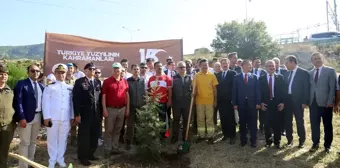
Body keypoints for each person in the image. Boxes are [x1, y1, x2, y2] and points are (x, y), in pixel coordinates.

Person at [42, 64, 74, 168]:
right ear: (55, 74)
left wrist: (72, 116)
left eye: (63, 72)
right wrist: (46, 117)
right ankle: (52, 160)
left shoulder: (70, 87)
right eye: (59, 72)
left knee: (63, 139)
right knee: (52, 140)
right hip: (53, 118)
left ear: (66, 74)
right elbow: (45, 103)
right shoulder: (50, 87)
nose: (61, 74)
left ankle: (60, 158)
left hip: (65, 118)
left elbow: (71, 104)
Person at [13, 64, 44, 168]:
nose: (35, 73)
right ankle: (23, 165)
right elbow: (18, 102)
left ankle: (31, 163)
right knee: (25, 143)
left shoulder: (41, 86)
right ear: (28, 72)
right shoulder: (22, 84)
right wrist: (21, 117)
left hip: (38, 116)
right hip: (26, 118)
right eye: (33, 71)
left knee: (33, 142)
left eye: (38, 71)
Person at [72, 62, 102, 166]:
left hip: (96, 114)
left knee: (94, 135)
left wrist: (101, 113)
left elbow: (100, 99)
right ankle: (82, 157)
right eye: (90, 69)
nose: (92, 71)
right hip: (84, 114)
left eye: (94, 69)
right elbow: (76, 99)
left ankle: (90, 154)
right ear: (85, 70)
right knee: (84, 137)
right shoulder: (79, 82)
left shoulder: (98, 82)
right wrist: (77, 114)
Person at [308, 52, 336, 153]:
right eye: (315, 59)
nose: (317, 60)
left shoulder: (330, 71)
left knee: (327, 125)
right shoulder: (310, 73)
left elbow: (332, 88)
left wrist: (330, 101)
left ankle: (327, 145)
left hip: (326, 103)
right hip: (313, 103)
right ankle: (315, 143)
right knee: (314, 124)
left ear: (322, 59)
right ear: (312, 61)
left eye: (319, 58)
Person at [102, 62, 130, 155]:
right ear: (112, 70)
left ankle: (115, 148)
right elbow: (103, 96)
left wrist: (127, 108)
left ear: (121, 70)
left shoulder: (124, 81)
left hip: (122, 109)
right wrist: (104, 109)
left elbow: (127, 95)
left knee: (118, 129)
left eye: (118, 68)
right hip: (110, 109)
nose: (117, 70)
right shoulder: (107, 81)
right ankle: (107, 149)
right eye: (115, 68)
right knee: (109, 130)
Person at [232, 60, 261, 148]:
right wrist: (235, 103)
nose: (250, 66)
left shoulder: (254, 77)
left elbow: (258, 91)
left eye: (250, 65)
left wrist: (258, 102)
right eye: (248, 65)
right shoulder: (236, 77)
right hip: (241, 104)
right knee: (242, 123)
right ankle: (243, 140)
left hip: (252, 104)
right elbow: (234, 91)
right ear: (243, 66)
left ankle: (253, 141)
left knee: (253, 123)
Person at [284, 55, 309, 148]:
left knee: (299, 121)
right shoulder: (286, 73)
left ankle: (301, 140)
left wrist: (305, 101)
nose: (285, 65)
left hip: (298, 101)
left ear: (292, 62)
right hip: (287, 101)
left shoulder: (303, 73)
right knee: (287, 121)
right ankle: (289, 140)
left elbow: (306, 88)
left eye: (286, 63)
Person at [259, 60, 285, 149]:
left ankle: (277, 142)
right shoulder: (261, 78)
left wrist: (282, 103)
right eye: (269, 66)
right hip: (266, 104)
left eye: (273, 65)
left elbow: (283, 91)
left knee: (277, 124)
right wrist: (261, 103)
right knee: (266, 124)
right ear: (265, 67)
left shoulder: (280, 77)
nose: (271, 67)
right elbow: (259, 93)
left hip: (277, 104)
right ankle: (268, 142)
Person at [193, 59, 218, 144]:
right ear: (200, 66)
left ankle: (210, 136)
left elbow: (215, 90)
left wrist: (215, 100)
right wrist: (194, 94)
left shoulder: (212, 76)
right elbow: (194, 88)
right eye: (203, 65)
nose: (205, 66)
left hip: (210, 101)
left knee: (210, 119)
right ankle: (201, 135)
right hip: (199, 101)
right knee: (200, 119)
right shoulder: (196, 76)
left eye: (206, 64)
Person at [148, 62, 172, 139]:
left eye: (161, 66)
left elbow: (170, 91)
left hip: (163, 102)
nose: (160, 68)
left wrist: (169, 101)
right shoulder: (151, 79)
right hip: (153, 103)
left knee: (163, 120)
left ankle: (164, 136)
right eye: (158, 66)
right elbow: (149, 90)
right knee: (154, 120)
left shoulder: (167, 78)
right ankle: (154, 136)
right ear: (154, 68)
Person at [216, 58, 237, 144]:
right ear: (221, 65)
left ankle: (232, 136)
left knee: (231, 118)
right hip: (221, 101)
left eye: (226, 63)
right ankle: (225, 134)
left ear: (229, 64)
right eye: (223, 63)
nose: (224, 65)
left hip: (230, 100)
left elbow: (235, 88)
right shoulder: (218, 75)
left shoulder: (233, 73)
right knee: (223, 117)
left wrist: (234, 99)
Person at [171, 61, 192, 144]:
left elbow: (191, 90)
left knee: (186, 120)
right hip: (176, 103)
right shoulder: (174, 78)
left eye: (184, 67)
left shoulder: (189, 78)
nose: (183, 69)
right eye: (181, 67)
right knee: (176, 120)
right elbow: (171, 91)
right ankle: (174, 137)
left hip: (186, 103)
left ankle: (185, 137)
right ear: (177, 69)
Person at [126, 64, 145, 149]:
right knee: (130, 125)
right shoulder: (128, 81)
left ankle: (137, 140)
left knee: (139, 124)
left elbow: (144, 93)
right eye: (134, 69)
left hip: (140, 106)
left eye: (137, 69)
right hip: (131, 106)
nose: (136, 70)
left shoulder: (142, 80)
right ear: (131, 70)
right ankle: (128, 142)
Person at [0, 64, 16, 168]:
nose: (3, 76)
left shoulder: (11, 91)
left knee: (3, 152)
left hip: (7, 126)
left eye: (5, 74)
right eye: (1, 74)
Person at [251, 57, 267, 134]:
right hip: (252, 95)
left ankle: (262, 127)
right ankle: (253, 127)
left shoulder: (263, 72)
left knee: (262, 113)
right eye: (256, 62)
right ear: (252, 63)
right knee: (252, 113)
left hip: (261, 95)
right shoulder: (249, 71)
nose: (258, 63)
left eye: (259, 62)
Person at [272, 57, 287, 136]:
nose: (276, 64)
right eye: (274, 63)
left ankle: (283, 130)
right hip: (273, 97)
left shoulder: (285, 71)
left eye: (277, 62)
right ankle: (274, 130)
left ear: (279, 63)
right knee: (274, 115)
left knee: (283, 115)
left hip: (282, 97)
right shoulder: (268, 73)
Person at [213, 62, 222, 127]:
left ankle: (222, 124)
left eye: (219, 66)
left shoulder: (223, 74)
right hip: (214, 96)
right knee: (214, 111)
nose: (217, 68)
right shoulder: (212, 75)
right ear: (214, 68)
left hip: (222, 96)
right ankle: (215, 124)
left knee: (222, 111)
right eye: (216, 66)